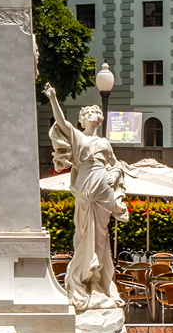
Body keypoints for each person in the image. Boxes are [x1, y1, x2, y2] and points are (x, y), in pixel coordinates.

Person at [44, 84, 130, 312]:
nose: (92, 113)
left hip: (104, 190)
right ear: (82, 120)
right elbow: (61, 123)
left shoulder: (104, 143)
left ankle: (99, 284)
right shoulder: (78, 137)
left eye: (95, 112)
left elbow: (116, 165)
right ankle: (83, 280)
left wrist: (113, 174)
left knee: (100, 238)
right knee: (84, 235)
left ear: (100, 119)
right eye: (87, 112)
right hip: (85, 188)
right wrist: (53, 98)